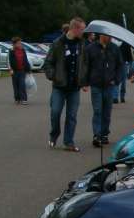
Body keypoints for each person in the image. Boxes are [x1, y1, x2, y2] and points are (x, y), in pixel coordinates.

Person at [43, 16, 86, 152]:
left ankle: (69, 142)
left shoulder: (82, 44)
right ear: (74, 28)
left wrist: (84, 79)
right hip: (59, 86)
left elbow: (85, 63)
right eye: (82, 29)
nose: (83, 32)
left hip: (74, 87)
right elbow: (48, 63)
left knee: (72, 116)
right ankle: (54, 134)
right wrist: (53, 76)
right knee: (55, 112)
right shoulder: (58, 43)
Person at [82, 34, 124, 147]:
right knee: (97, 110)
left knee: (107, 112)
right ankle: (97, 135)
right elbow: (86, 66)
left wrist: (117, 80)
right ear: (101, 35)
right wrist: (85, 83)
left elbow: (120, 65)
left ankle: (104, 133)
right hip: (96, 84)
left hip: (109, 85)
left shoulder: (114, 48)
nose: (110, 37)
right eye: (107, 35)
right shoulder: (90, 48)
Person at [8, 36, 32, 105]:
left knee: (22, 85)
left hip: (22, 70)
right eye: (18, 43)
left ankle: (24, 99)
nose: (20, 44)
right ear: (14, 44)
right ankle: (17, 99)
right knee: (16, 85)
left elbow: (25, 60)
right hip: (14, 71)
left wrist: (28, 69)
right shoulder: (11, 51)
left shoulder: (23, 50)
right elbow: (9, 61)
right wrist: (10, 69)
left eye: (20, 43)